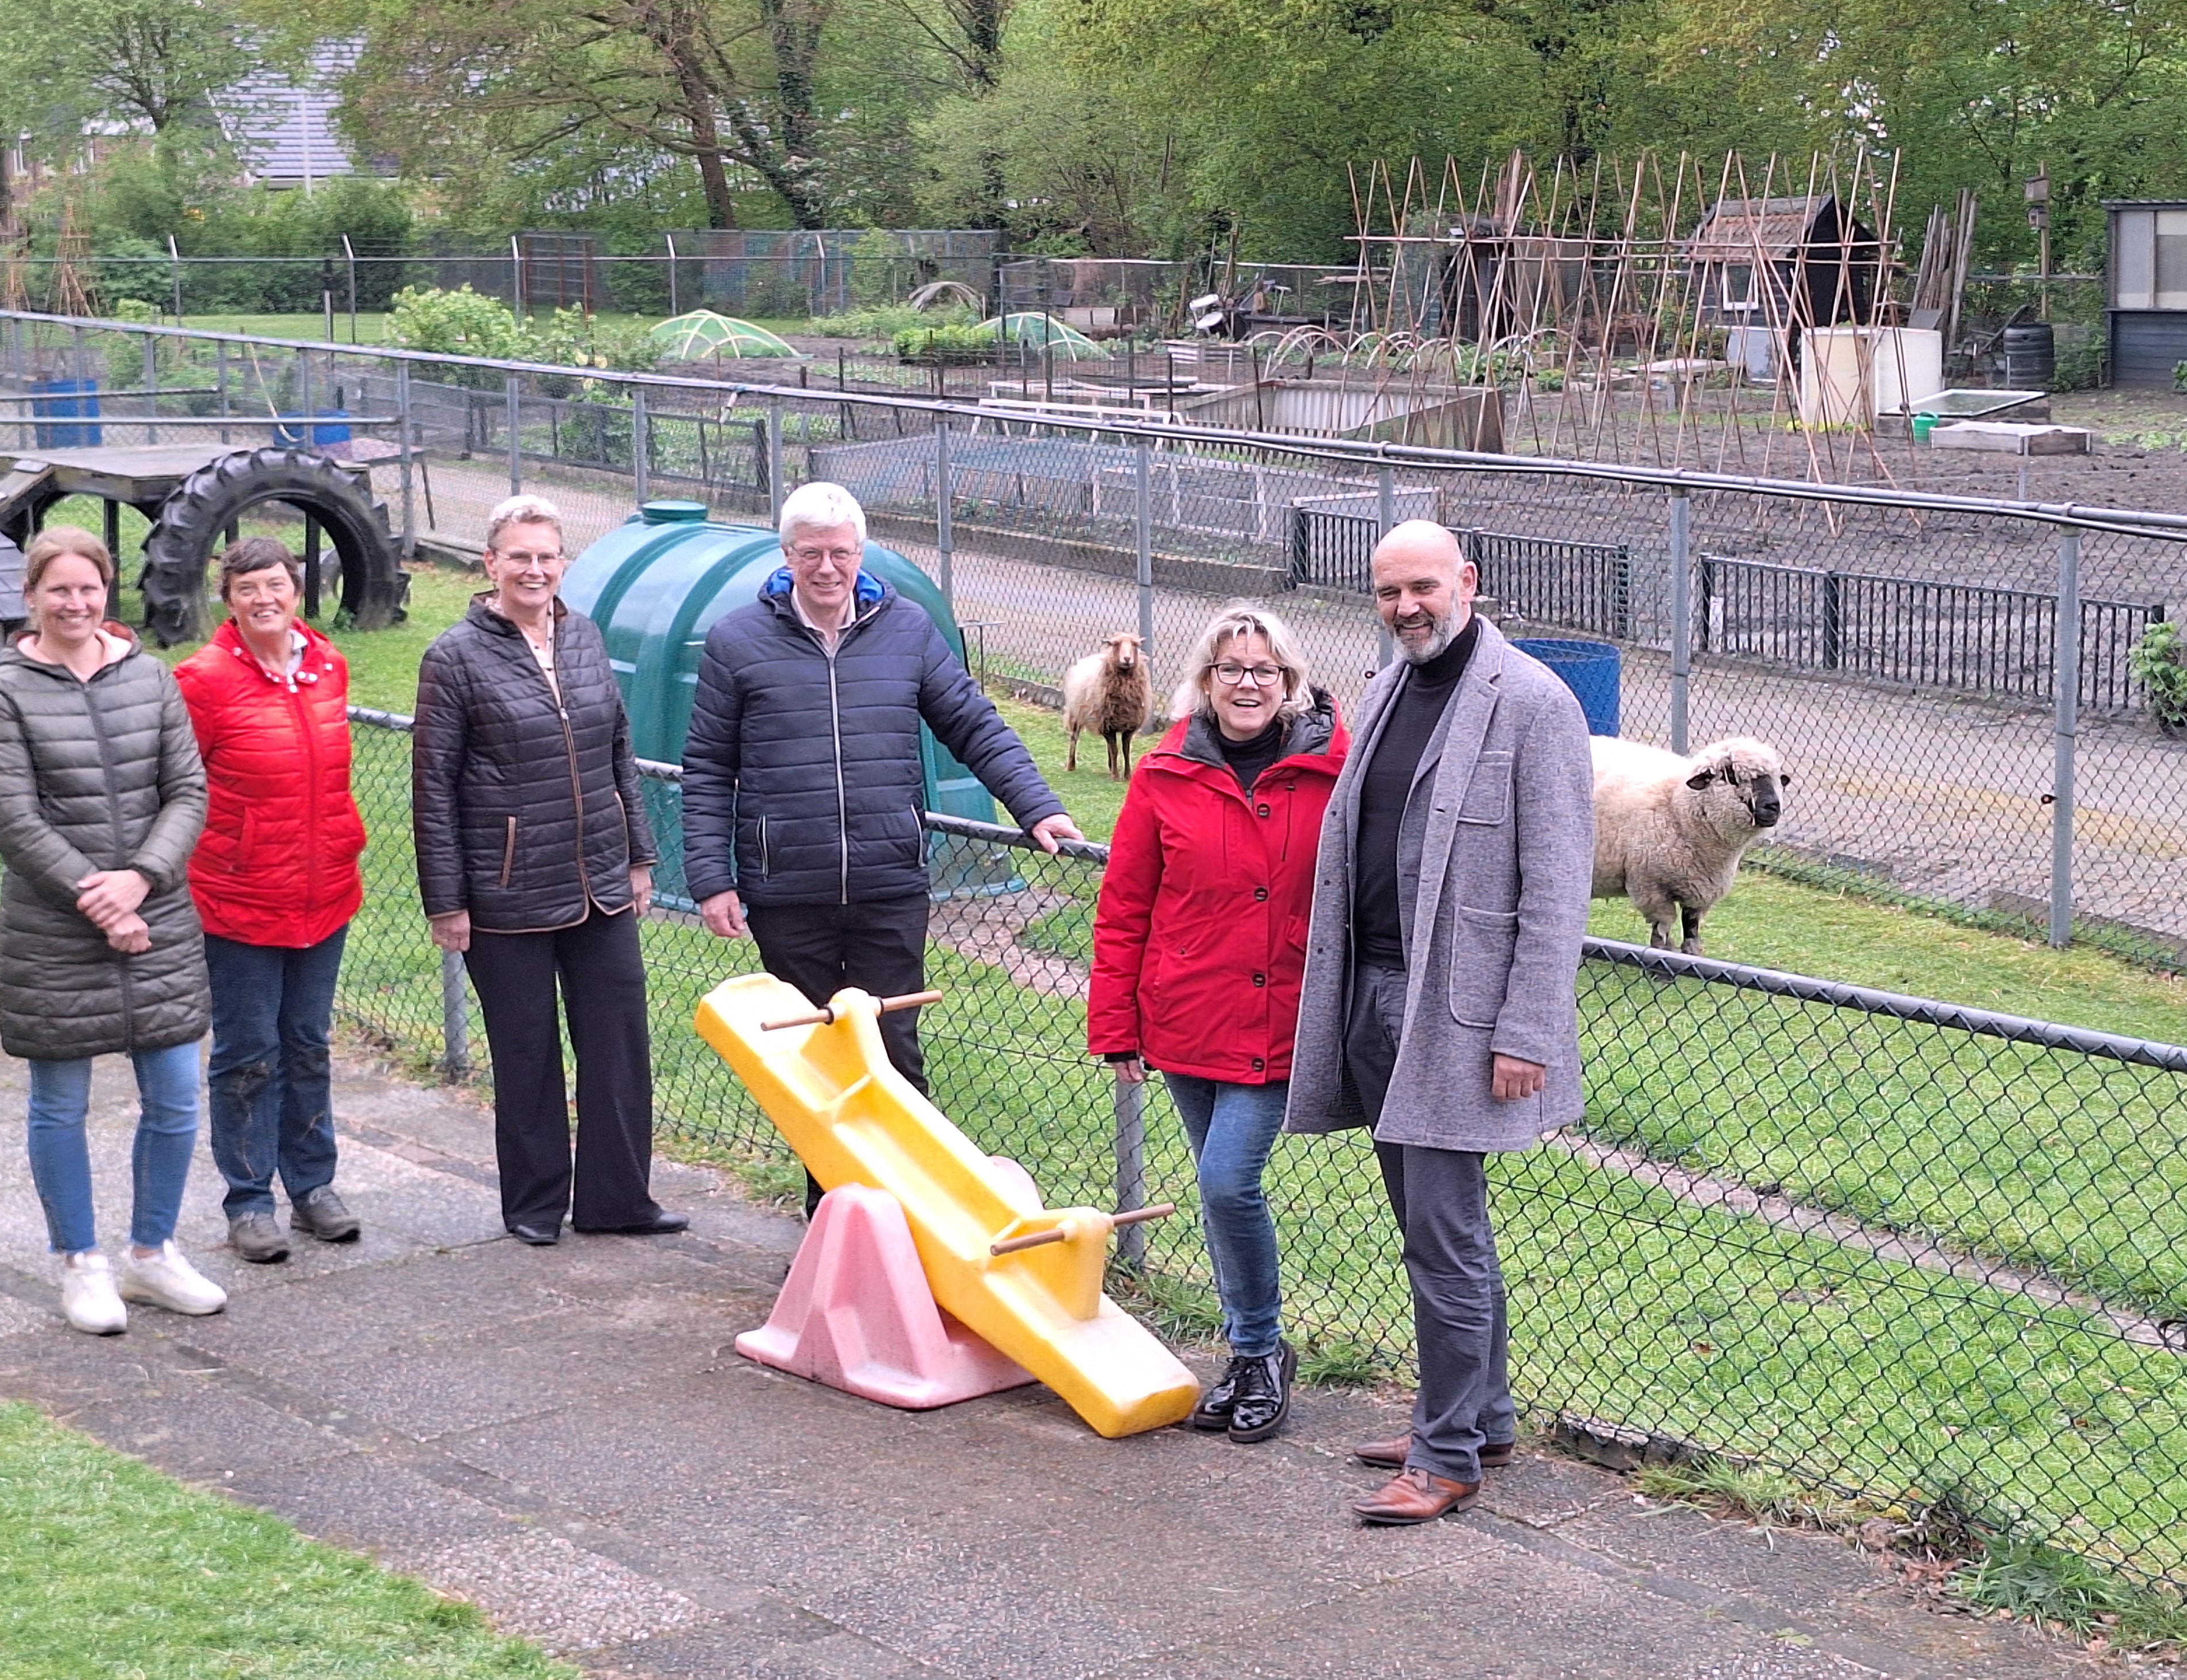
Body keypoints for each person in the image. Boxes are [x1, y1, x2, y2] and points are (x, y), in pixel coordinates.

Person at [1286, 520, 1593, 1524]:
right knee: (1434, 1231)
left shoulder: (1535, 705)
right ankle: (1481, 1417)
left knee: (1444, 1240)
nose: (1406, 607)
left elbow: (1556, 890)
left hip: (1458, 1021)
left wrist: (1528, 1031)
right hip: (1374, 1000)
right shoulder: (1382, 692)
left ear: (1466, 581)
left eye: (1422, 586)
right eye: (1387, 593)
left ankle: (1447, 1455)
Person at [681, 482, 1079, 1206]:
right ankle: (835, 1225)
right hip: (786, 889)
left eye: (840, 552)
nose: (827, 568)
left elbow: (972, 723)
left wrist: (1037, 807)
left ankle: (916, 1225)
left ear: (860, 554)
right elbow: (709, 766)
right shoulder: (739, 641)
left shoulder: (907, 631)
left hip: (888, 884)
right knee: (817, 1066)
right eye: (811, 554)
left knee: (893, 1055)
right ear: (787, 556)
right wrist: (712, 877)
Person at [1088, 607, 1347, 1445]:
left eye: (1263, 670)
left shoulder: (1334, 772)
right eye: (1230, 669)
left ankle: (1262, 1351)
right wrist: (1115, 1022)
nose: (1246, 683)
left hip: (1284, 1015)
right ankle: (1247, 1355)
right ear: (1204, 681)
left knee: (1228, 1182)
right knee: (1217, 1189)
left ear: (1289, 682)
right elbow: (1125, 903)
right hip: (1187, 1012)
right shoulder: (1164, 771)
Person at [0, 525, 223, 1334]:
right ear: (31, 597)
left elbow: (187, 789)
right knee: (60, 1103)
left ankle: (150, 1256)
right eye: (59, 590)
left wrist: (141, 881)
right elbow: (13, 817)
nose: (75, 603)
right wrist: (99, 899)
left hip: (157, 919)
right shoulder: (4, 693)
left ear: (105, 592)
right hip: (57, 932)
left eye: (88, 589)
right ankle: (79, 1262)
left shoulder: (150, 679)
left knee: (178, 1099)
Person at [413, 495, 680, 1247]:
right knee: (527, 1054)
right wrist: (447, 901)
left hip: (599, 879)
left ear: (564, 564)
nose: (534, 570)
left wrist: (637, 855)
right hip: (506, 893)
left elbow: (617, 752)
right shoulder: (453, 658)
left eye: (547, 556)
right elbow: (432, 787)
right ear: (490, 563)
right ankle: (534, 1205)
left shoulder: (586, 637)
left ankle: (618, 1199)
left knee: (618, 1041)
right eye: (519, 556)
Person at [175, 536, 367, 1264]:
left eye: (277, 586)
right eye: (249, 588)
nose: (265, 599)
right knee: (248, 1053)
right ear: (229, 599)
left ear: (296, 592)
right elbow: (177, 787)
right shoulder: (202, 680)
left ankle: (314, 1189)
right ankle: (250, 1201)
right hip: (240, 900)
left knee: (309, 1045)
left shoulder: (328, 666)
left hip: (324, 894)